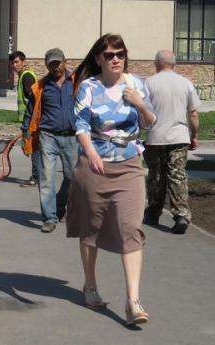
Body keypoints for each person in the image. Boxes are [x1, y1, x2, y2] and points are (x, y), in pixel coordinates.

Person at [66, 33, 156, 325]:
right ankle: (90, 285)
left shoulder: (135, 84)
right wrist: (90, 152)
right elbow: (79, 124)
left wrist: (139, 103)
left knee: (130, 228)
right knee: (90, 228)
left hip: (129, 166)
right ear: (98, 59)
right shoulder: (89, 87)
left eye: (120, 54)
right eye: (109, 55)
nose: (116, 59)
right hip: (95, 167)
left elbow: (149, 122)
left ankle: (132, 301)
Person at [143, 50, 201, 235]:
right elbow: (193, 113)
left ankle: (153, 212)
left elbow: (143, 110)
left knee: (156, 176)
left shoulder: (149, 83)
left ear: (157, 63)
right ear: (174, 64)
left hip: (155, 138)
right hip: (179, 137)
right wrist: (194, 135)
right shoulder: (186, 83)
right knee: (177, 176)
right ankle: (181, 215)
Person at [25, 48, 79, 233]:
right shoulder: (40, 86)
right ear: (46, 65)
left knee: (73, 177)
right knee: (46, 177)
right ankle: (49, 218)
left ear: (65, 61)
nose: (56, 67)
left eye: (58, 63)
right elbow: (30, 112)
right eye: (51, 64)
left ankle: (59, 204)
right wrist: (27, 134)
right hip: (48, 136)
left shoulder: (77, 82)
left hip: (72, 137)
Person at [10, 51, 40, 187]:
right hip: (29, 118)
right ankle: (38, 175)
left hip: (31, 119)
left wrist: (30, 121)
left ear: (24, 62)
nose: (14, 65)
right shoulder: (24, 75)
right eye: (12, 62)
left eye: (16, 62)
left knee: (32, 147)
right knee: (33, 148)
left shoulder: (27, 76)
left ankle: (36, 177)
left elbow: (33, 98)